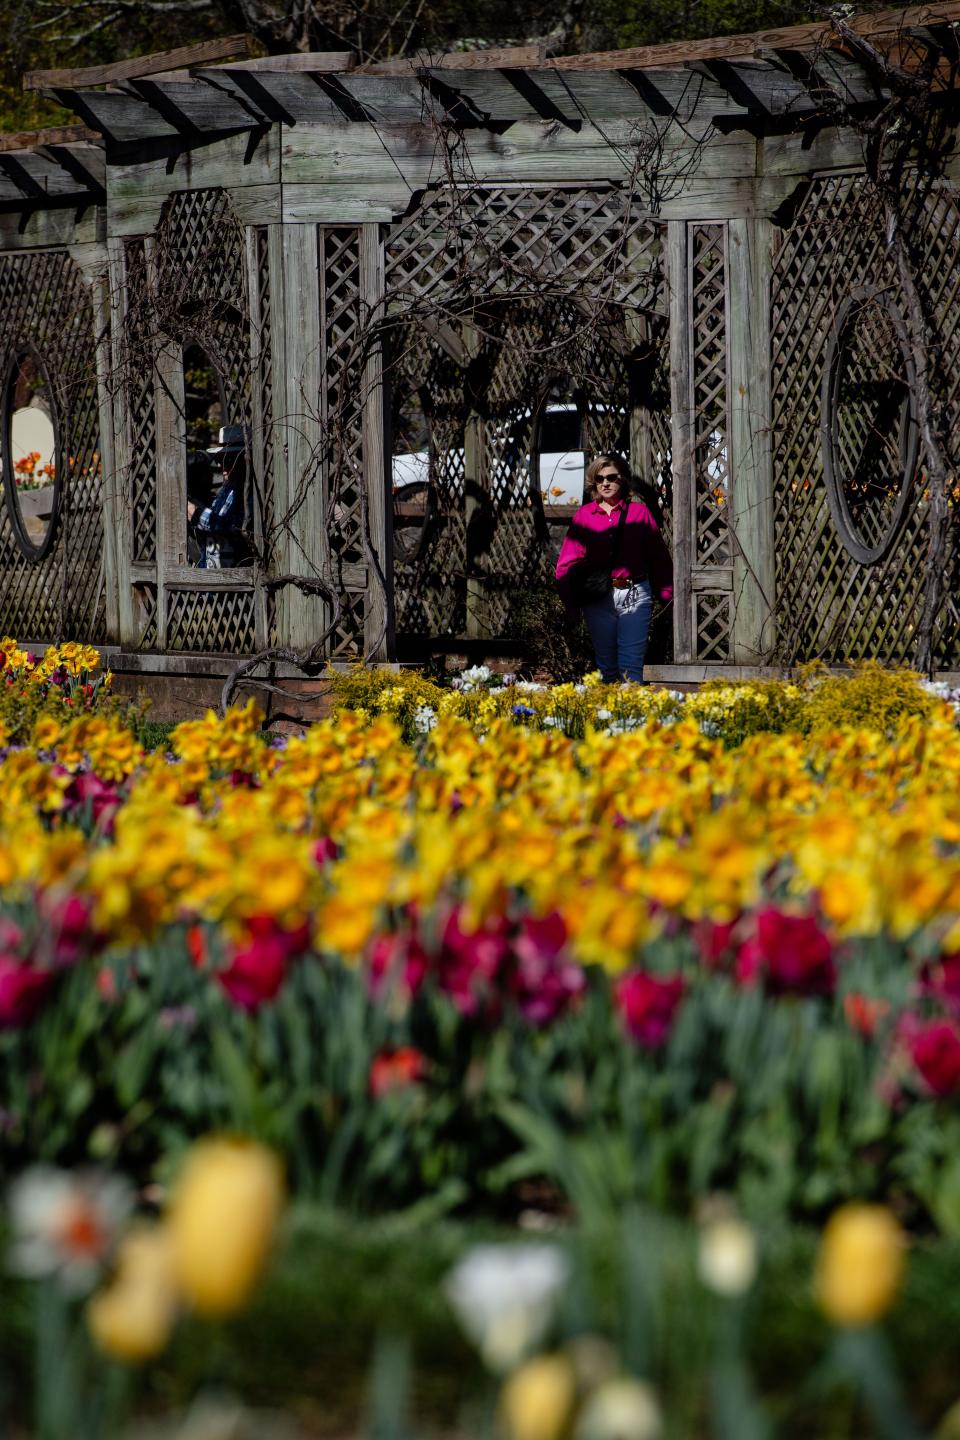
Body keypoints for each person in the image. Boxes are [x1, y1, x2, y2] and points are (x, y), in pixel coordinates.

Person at [555, 453, 673, 683]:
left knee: (630, 668)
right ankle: (611, 717)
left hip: (635, 592)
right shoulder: (584, 516)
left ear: (623, 479)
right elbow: (566, 564)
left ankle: (632, 718)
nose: (605, 483)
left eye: (611, 477)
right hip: (598, 597)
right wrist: (571, 604)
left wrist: (667, 595)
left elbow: (658, 556)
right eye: (599, 478)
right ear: (594, 482)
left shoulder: (639, 513)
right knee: (607, 667)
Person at [195, 425, 253, 569]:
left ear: (243, 461)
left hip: (235, 577)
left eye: (230, 460)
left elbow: (229, 525)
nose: (223, 467)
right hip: (213, 576)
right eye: (222, 461)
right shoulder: (226, 490)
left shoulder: (250, 494)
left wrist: (196, 513)